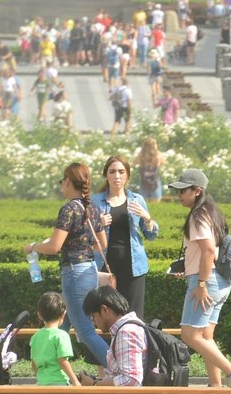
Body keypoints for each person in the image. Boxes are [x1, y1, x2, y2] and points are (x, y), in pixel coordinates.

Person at [168, 169, 231, 394]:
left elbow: (208, 251)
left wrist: (201, 283)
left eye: (184, 191)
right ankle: (216, 384)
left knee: (190, 335)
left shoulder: (198, 215)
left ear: (197, 191)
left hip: (208, 281)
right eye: (178, 191)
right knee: (205, 336)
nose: (179, 195)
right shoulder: (212, 212)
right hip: (221, 281)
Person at [23, 162, 110, 366]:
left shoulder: (69, 209)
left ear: (68, 182)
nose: (62, 185)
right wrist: (80, 246)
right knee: (61, 325)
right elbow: (102, 244)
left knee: (86, 332)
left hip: (74, 274)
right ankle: (51, 369)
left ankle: (123, 370)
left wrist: (34, 246)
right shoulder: (93, 208)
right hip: (90, 271)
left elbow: (54, 247)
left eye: (62, 181)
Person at [65, 286, 149, 394]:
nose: (94, 322)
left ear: (105, 310)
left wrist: (95, 385)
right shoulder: (130, 328)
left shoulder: (127, 332)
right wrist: (95, 382)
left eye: (93, 316)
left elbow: (131, 379)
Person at [91, 156, 159, 321]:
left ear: (127, 175)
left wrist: (147, 218)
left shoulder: (137, 199)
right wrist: (98, 224)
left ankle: (133, 347)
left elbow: (150, 235)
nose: (117, 176)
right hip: (104, 265)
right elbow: (85, 235)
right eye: (112, 171)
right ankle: (108, 348)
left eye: (121, 172)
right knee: (106, 315)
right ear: (106, 175)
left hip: (133, 267)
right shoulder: (95, 201)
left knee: (133, 315)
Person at [30, 291, 81, 394]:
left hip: (42, 385)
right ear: (63, 313)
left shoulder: (36, 337)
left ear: (39, 314)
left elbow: (34, 363)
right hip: (58, 384)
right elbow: (62, 361)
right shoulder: (62, 335)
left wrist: (40, 376)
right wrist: (75, 382)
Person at [134, 137, 165, 201]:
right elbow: (163, 163)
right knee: (156, 204)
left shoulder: (141, 155)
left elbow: (134, 163)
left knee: (143, 204)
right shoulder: (158, 155)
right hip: (155, 182)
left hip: (144, 182)